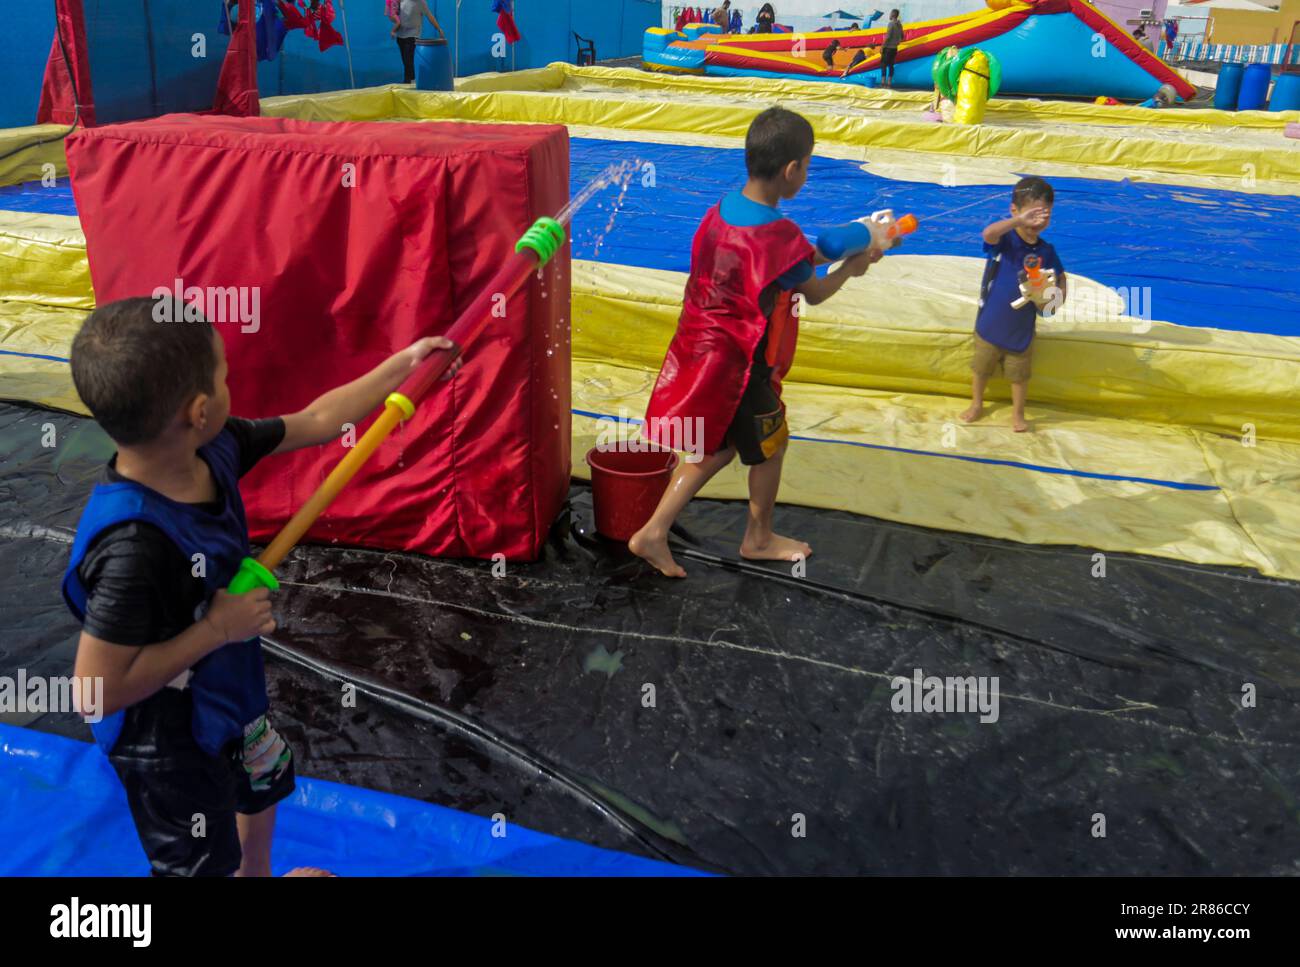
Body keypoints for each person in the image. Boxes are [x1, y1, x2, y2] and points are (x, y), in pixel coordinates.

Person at [63, 297, 461, 875]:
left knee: (262, 784)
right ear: (200, 409)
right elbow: (93, 691)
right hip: (169, 740)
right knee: (204, 858)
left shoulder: (212, 449)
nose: (232, 384)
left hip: (229, 694)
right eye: (225, 376)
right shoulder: (134, 547)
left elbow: (319, 421)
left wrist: (401, 367)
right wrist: (215, 630)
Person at [629, 108, 883, 578]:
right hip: (745, 365)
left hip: (701, 351)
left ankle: (652, 532)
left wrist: (845, 243)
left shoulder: (720, 210)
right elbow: (817, 291)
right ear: (792, 171)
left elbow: (791, 258)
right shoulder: (779, 235)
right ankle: (759, 537)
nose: (805, 174)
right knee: (772, 444)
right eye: (806, 166)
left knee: (715, 450)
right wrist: (853, 267)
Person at [960, 177, 1067, 432]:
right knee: (981, 368)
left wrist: (1057, 298)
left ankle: (1018, 414)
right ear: (1014, 211)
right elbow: (988, 234)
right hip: (991, 324)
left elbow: (1061, 277)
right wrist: (1019, 222)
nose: (1037, 221)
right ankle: (977, 403)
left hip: (1021, 330)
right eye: (1032, 214)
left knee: (1019, 376)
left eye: (1045, 215)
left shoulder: (1046, 251)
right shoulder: (1006, 240)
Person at [391, 0, 444, 84]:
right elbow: (395, 13)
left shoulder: (421, 3)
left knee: (408, 58)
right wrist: (394, 27)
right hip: (401, 35)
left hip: (413, 35)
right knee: (405, 60)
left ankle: (411, 80)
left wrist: (438, 29)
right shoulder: (402, 1)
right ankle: (408, 80)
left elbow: (430, 16)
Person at [881, 9, 904, 88]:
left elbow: (888, 37)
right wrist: (897, 41)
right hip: (894, 48)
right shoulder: (899, 25)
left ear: (892, 15)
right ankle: (889, 83)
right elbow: (902, 37)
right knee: (891, 65)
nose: (889, 15)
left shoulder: (891, 24)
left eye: (890, 13)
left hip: (888, 48)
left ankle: (883, 83)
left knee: (883, 65)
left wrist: (882, 46)